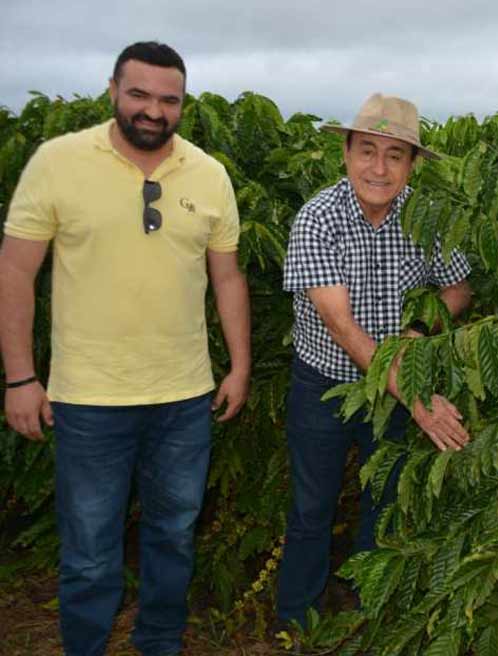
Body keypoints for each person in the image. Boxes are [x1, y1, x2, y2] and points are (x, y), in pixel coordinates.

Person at [0, 42, 250, 656]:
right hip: (88, 400)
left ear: (182, 105)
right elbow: (14, 271)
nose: (153, 110)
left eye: (169, 100)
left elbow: (228, 278)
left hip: (184, 399)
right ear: (112, 89)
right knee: (88, 550)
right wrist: (19, 379)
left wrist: (239, 366)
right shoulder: (57, 162)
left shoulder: (209, 174)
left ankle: (159, 644)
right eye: (139, 94)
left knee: (174, 536)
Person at [277, 92, 472, 626]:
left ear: (411, 166)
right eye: (367, 151)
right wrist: (416, 399)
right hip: (324, 384)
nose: (378, 168)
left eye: (394, 155)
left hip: (392, 391)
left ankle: (371, 617)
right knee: (311, 510)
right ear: (345, 152)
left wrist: (416, 329)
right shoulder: (318, 218)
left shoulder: (425, 218)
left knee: (385, 505)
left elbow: (457, 289)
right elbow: (339, 324)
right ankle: (297, 623)